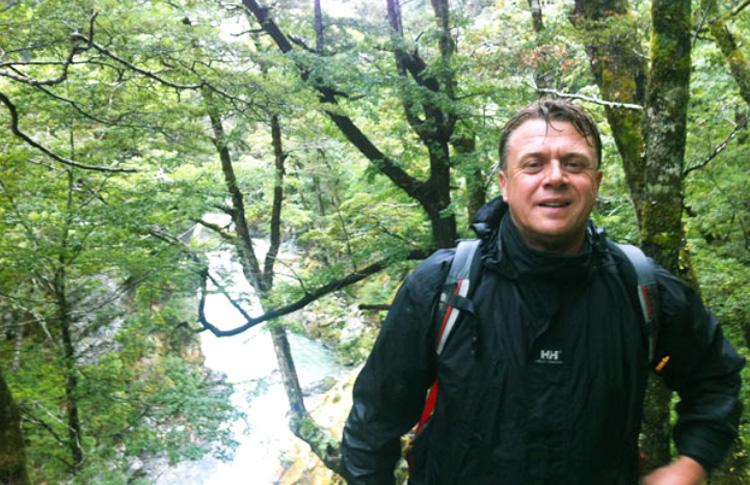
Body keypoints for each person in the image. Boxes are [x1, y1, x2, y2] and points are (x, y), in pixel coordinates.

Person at [339, 98, 745, 484]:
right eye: (533, 165)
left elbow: (716, 377)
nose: (555, 177)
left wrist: (692, 463)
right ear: (505, 183)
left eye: (574, 164)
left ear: (596, 182)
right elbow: (373, 423)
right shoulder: (443, 288)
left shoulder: (641, 288)